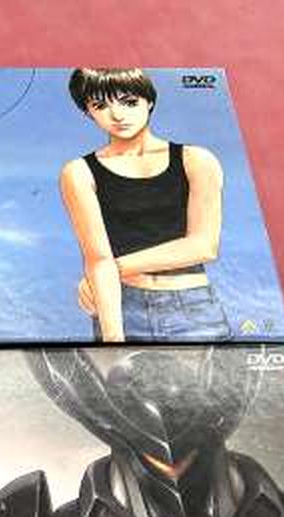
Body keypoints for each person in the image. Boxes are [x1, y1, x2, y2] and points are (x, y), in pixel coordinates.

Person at [59, 68, 230, 342]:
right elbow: (96, 257)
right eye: (100, 105)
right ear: (87, 112)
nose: (117, 115)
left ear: (149, 100)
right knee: (115, 370)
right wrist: (113, 343)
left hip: (192, 307)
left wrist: (108, 271)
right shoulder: (78, 172)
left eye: (129, 102)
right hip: (121, 304)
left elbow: (203, 246)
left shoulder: (197, 160)